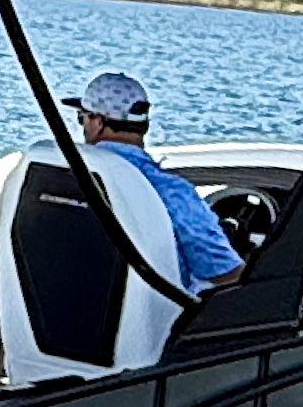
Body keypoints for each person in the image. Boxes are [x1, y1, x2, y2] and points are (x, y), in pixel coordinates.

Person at [58, 71, 244, 293]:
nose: (83, 126)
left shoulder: (66, 176)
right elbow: (224, 273)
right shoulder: (170, 191)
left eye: (82, 118)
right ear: (145, 127)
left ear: (97, 123)